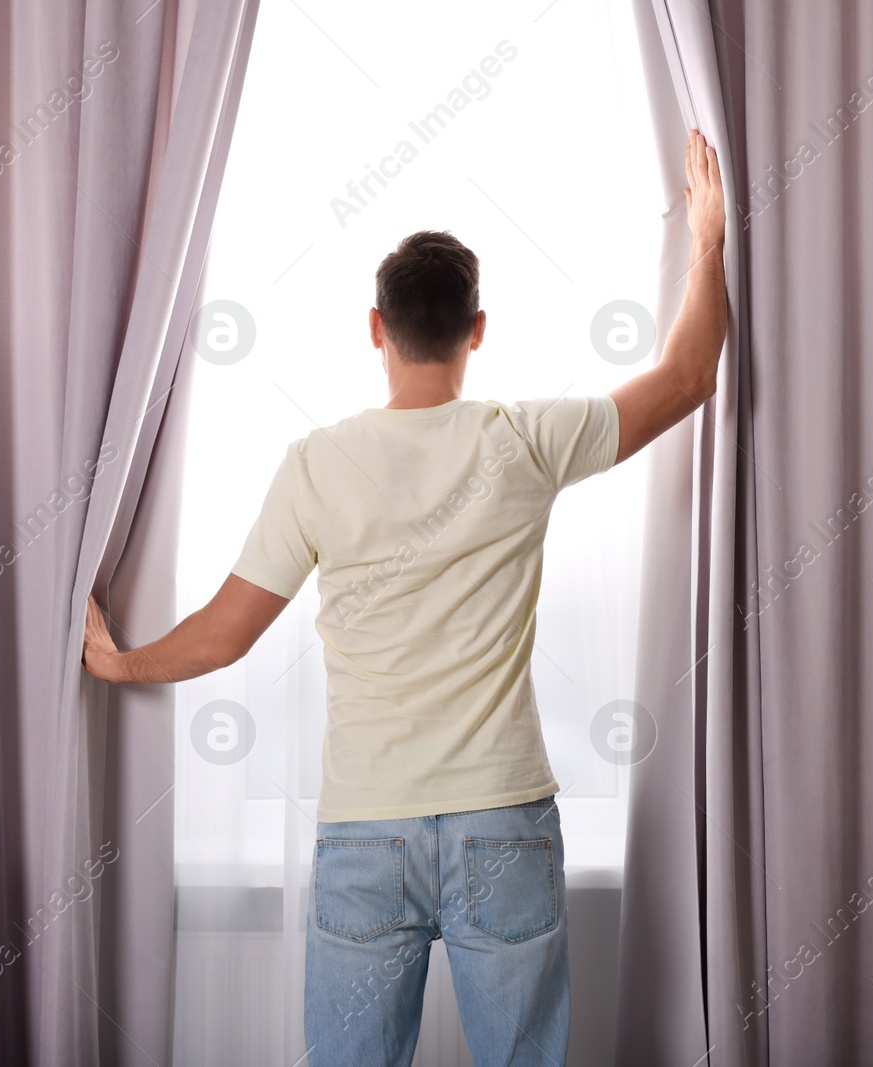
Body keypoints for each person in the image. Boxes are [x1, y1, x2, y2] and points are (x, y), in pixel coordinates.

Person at [82, 129, 727, 1066]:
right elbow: (686, 377)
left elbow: (224, 636)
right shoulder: (525, 438)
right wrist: (704, 243)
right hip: (503, 821)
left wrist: (117, 660)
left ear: (376, 327)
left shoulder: (316, 464)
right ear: (476, 329)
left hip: (366, 833)